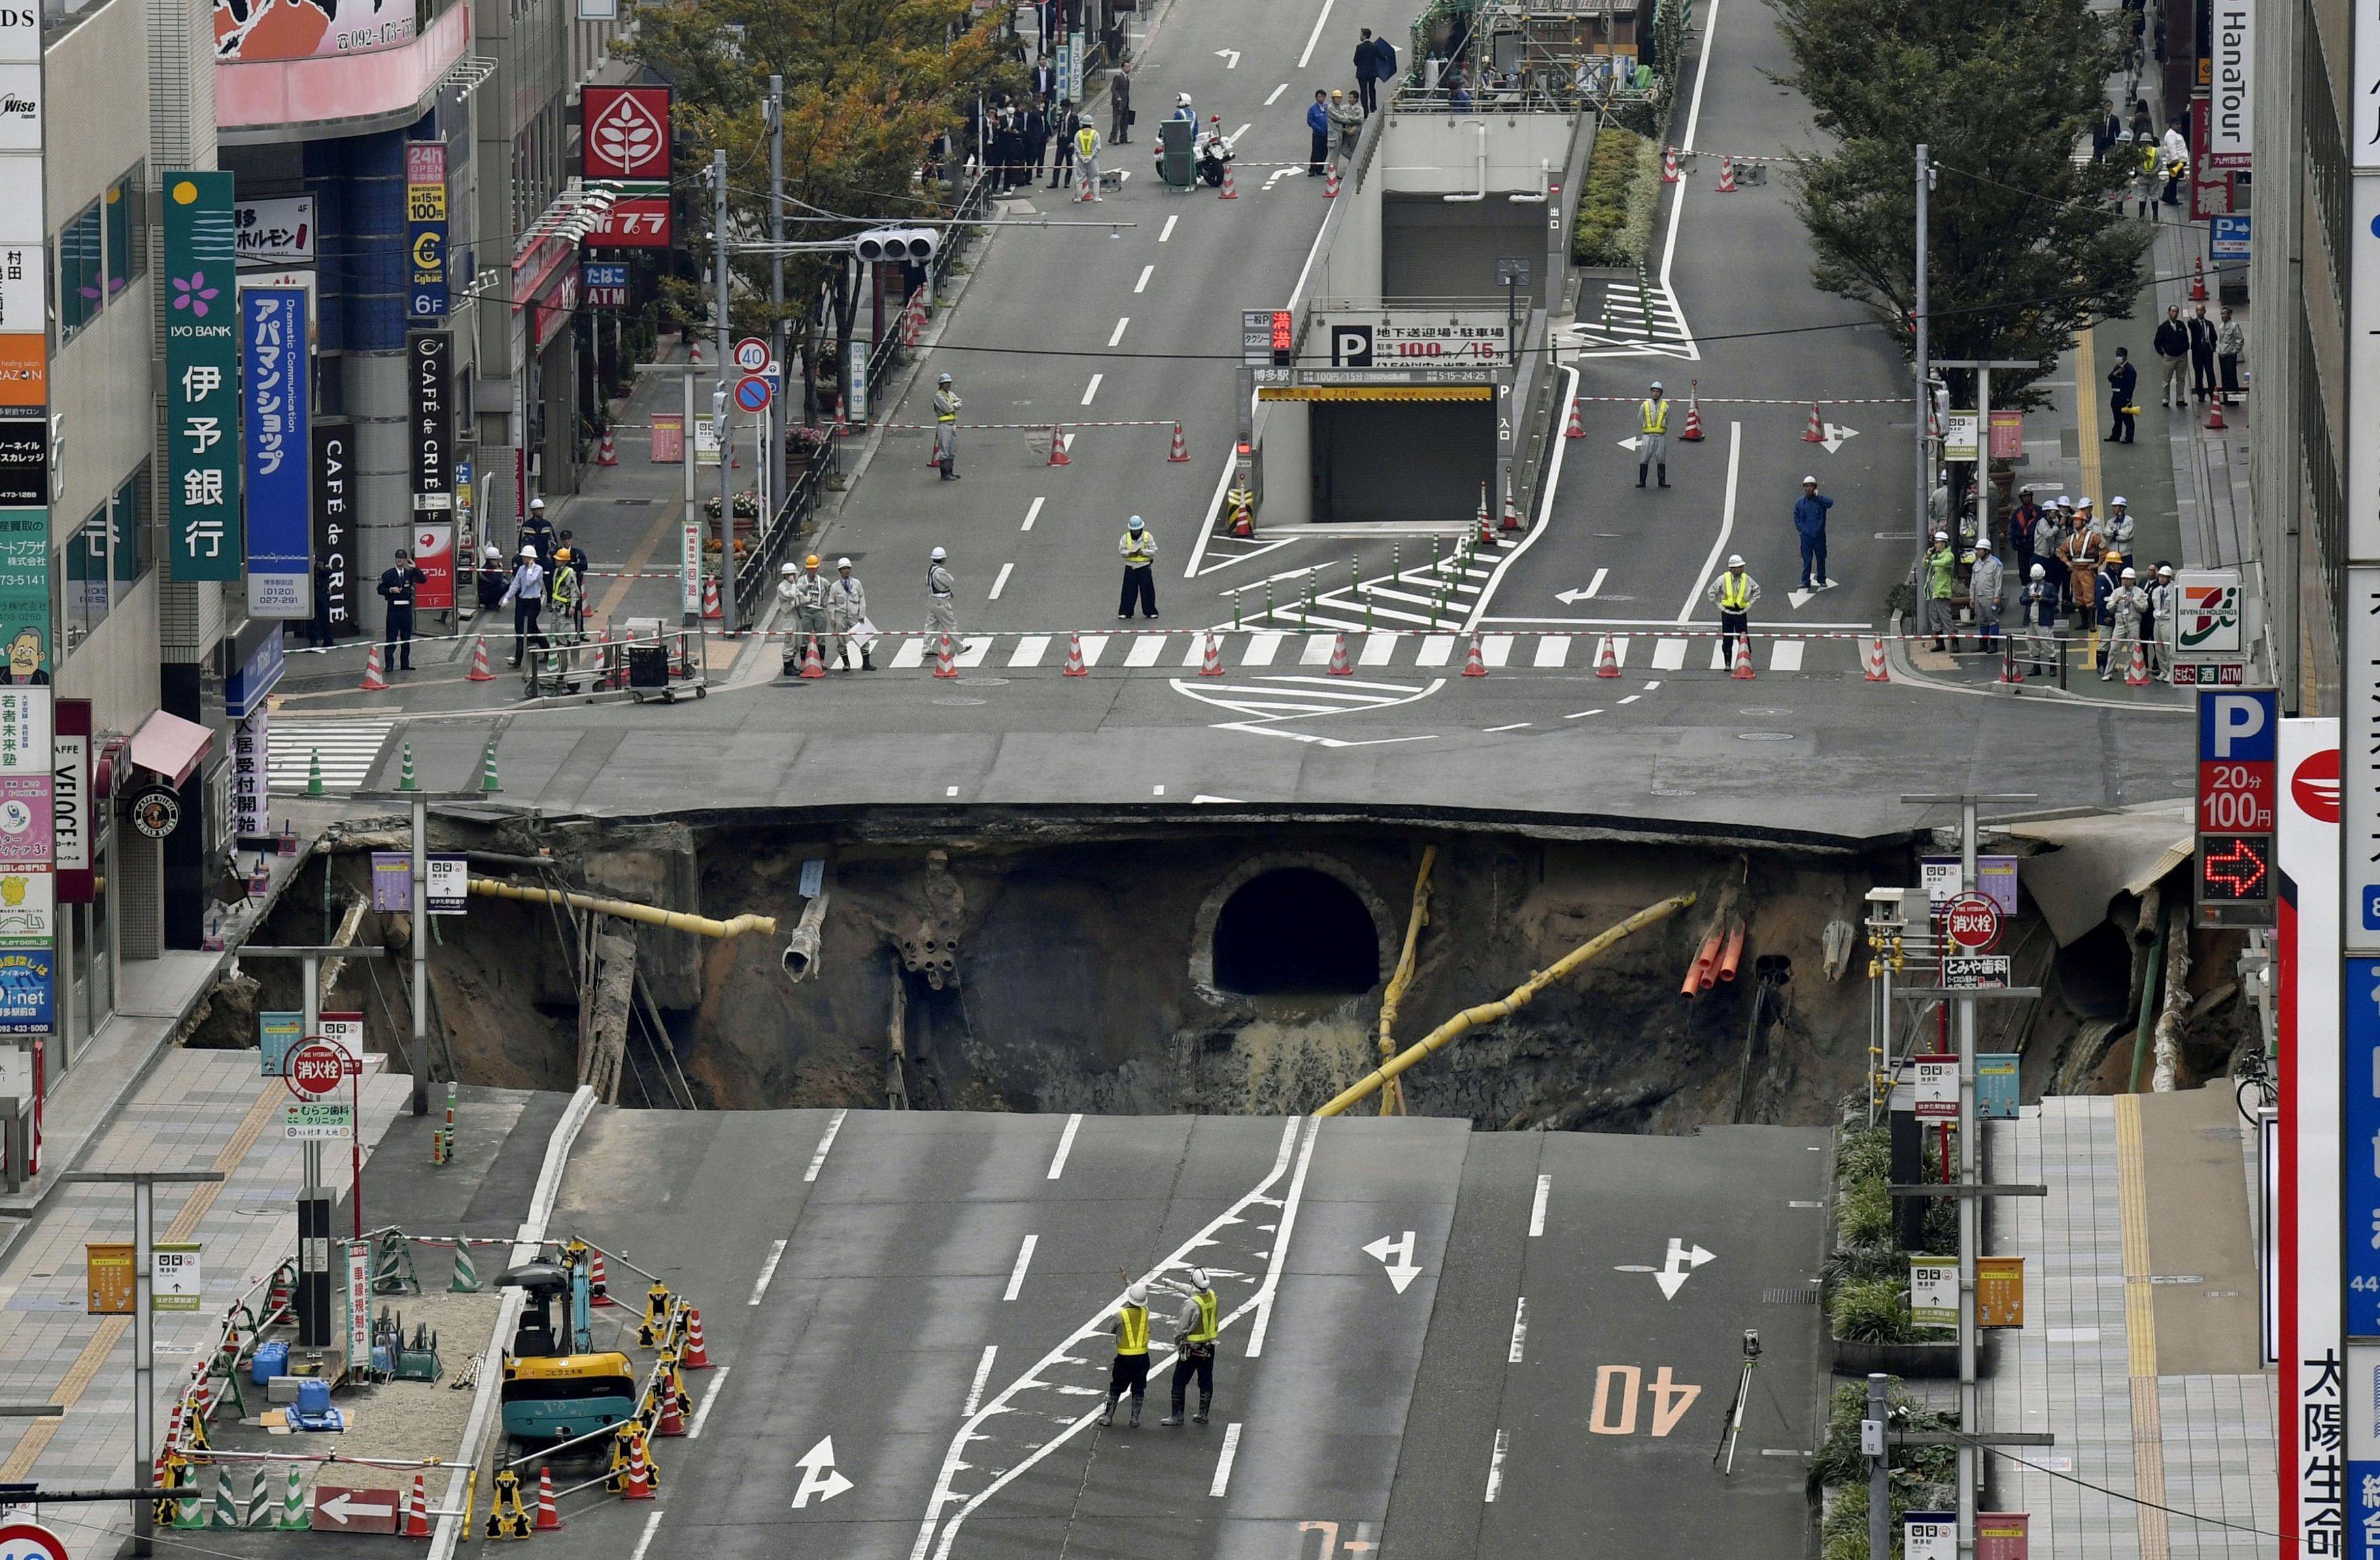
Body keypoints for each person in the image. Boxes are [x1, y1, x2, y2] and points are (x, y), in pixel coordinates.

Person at [1157, 1268, 1220, 1426]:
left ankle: (1177, 1416)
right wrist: (1172, 1284)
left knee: (1179, 1381)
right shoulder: (1212, 1295)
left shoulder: (1191, 1304)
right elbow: (1190, 1290)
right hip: (1209, 1347)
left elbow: (1181, 1328)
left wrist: (1178, 1342)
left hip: (1191, 1349)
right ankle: (1203, 1414)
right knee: (1206, 1380)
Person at [1100, 1282, 1153, 1429]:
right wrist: (1127, 1281)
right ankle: (1135, 1418)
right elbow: (1137, 1296)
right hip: (1143, 1357)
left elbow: (1112, 1329)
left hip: (1124, 1358)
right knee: (1139, 1387)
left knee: (1116, 1387)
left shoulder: (1119, 1315)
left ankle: (1108, 1416)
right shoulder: (1145, 1312)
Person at [377, 547, 426, 672]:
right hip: (394, 610)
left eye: (402, 558)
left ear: (405, 560)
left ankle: (405, 663)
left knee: (406, 638)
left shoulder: (409, 573)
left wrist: (415, 568)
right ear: (395, 559)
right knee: (391, 638)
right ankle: (389, 664)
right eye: (398, 558)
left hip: (406, 609)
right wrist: (390, 590)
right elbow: (380, 589)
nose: (400, 560)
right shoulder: (388, 574)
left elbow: (423, 580)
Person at [1706, 553, 1760, 665]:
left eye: (1742, 567)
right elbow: (1711, 592)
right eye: (1739, 567)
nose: (1741, 569)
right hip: (1727, 613)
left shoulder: (1746, 579)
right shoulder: (1722, 579)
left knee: (1743, 638)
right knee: (1727, 638)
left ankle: (1746, 662)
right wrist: (1720, 606)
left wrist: (1749, 605)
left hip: (1741, 612)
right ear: (1732, 568)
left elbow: (1757, 590)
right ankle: (1727, 663)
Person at [499, 545, 545, 667]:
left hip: (534, 603)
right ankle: (521, 658)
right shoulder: (521, 569)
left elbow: (530, 581)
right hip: (522, 603)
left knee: (526, 628)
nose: (523, 558)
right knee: (523, 630)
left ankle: (521, 658)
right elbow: (515, 585)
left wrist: (530, 568)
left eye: (525, 556)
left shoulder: (538, 569)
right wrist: (506, 599)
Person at [2102, 566, 2151, 680]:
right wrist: (2116, 601)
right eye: (2124, 579)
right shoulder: (2117, 592)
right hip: (2120, 624)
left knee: (2132, 649)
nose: (2126, 581)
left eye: (2128, 579)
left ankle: (2128, 672)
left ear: (2133, 580)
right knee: (2114, 648)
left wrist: (2133, 601)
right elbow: (2109, 607)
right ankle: (2108, 672)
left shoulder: (2139, 592)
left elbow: (2144, 608)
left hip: (2133, 623)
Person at [1111, 514, 1161, 620]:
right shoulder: (1126, 538)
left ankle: (1150, 610)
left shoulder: (1148, 537)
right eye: (1134, 530)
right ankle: (1125, 611)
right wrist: (1129, 553)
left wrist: (1143, 552)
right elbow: (1121, 551)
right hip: (1131, 567)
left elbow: (1154, 551)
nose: (1136, 532)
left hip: (1144, 567)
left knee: (1147, 590)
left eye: (1137, 530)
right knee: (1128, 590)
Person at [829, 557, 871, 670]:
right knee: (841, 640)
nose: (846, 571)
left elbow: (862, 600)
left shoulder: (857, 584)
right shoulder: (835, 586)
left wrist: (862, 615)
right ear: (840, 571)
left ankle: (866, 663)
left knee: (863, 638)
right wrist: (832, 618)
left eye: (848, 568)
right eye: (844, 569)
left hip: (855, 615)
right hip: (840, 616)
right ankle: (846, 664)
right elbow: (831, 603)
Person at [1792, 476, 1833, 591]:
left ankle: (1822, 579)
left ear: (1815, 487)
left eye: (1811, 486)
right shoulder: (1800, 502)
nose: (1809, 488)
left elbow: (1830, 503)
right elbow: (1796, 516)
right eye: (1807, 486)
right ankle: (1805, 581)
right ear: (1804, 488)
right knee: (1807, 560)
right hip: (1806, 537)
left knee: (1821, 558)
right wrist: (1801, 530)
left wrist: (1818, 496)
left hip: (1819, 536)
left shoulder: (1820, 501)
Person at [1922, 531, 1958, 651]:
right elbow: (1924, 565)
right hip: (1933, 592)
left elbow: (1944, 563)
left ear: (1944, 544)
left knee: (1946, 618)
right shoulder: (1935, 556)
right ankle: (1939, 643)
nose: (1935, 545)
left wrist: (1931, 561)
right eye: (1935, 543)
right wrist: (1928, 556)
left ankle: (1955, 642)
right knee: (1934, 618)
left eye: (1937, 543)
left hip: (1942, 592)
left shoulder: (1949, 556)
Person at [2019, 563, 2057, 677]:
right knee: (2032, 643)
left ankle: (2053, 666)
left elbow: (2054, 601)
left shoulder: (2050, 587)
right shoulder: (2029, 587)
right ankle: (2036, 667)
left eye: (2038, 579)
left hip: (2044, 620)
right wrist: (2030, 599)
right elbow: (2022, 600)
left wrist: (2043, 599)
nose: (2036, 581)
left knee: (2047, 642)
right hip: (2030, 620)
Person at [1969, 538, 2005, 651]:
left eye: (1980, 550)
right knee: (1982, 621)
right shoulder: (1977, 564)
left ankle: (1993, 645)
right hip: (1978, 596)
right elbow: (1973, 582)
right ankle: (1983, 644)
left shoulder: (1996, 564)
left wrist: (1997, 596)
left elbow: (1998, 581)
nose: (1977, 552)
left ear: (1986, 551)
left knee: (1992, 620)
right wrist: (1972, 597)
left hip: (1990, 596)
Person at [2031, 501, 2067, 615]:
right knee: (2041, 581)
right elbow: (2048, 534)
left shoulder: (2052, 522)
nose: (2056, 514)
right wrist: (2060, 525)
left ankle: (2051, 604)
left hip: (2049, 557)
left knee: (2052, 581)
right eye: (2054, 512)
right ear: (2047, 512)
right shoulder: (2043, 523)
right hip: (2040, 557)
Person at [2153, 305, 2190, 409]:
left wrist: (2185, 348)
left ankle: (2180, 399)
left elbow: (2186, 339)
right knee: (2166, 380)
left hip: (2182, 356)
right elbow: (2157, 342)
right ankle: (2166, 399)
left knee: (2181, 379)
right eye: (2173, 311)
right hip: (2169, 357)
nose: (2175, 314)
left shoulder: (2181, 325)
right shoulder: (2163, 327)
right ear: (2169, 312)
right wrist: (2163, 353)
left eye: (2176, 312)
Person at [1636, 380, 1669, 488]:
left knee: (1661, 458)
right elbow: (1640, 418)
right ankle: (1642, 481)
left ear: (1661, 393)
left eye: (1658, 392)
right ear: (1651, 392)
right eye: (1654, 391)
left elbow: (1668, 419)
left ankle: (1662, 481)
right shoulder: (1645, 405)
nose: (1656, 393)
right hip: (1648, 436)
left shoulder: (1665, 406)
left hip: (1660, 436)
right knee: (1644, 458)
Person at [926, 545, 959, 647]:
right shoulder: (939, 571)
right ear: (942, 559)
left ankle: (926, 648)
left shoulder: (930, 570)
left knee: (930, 626)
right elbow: (950, 580)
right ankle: (960, 647)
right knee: (951, 625)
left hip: (932, 600)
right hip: (941, 602)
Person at [548, 547, 583, 641]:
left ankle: (563, 651)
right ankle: (554, 653)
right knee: (553, 632)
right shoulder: (557, 571)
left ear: (564, 561)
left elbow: (575, 591)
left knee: (562, 633)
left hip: (564, 607)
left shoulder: (570, 573)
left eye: (558, 559)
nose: (556, 561)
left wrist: (573, 606)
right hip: (556, 606)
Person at [2009, 488, 2043, 581]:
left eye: (2028, 496)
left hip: (2035, 543)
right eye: (2024, 497)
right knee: (2023, 568)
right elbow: (2013, 528)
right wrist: (2013, 541)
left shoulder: (2039, 511)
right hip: (2022, 544)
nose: (2027, 498)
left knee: (2036, 566)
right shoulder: (2017, 513)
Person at [2147, 563, 2175, 676]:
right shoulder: (2156, 591)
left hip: (2168, 621)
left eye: (2164, 577)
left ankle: (2171, 671)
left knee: (2168, 648)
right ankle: (2164, 671)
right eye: (2160, 576)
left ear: (2169, 578)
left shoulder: (2174, 589)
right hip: (2157, 621)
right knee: (2158, 648)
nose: (2161, 579)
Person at [308, 554, 341, 649]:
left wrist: (321, 568)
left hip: (322, 592)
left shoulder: (324, 559)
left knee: (325, 617)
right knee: (312, 619)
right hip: (311, 592)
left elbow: (329, 572)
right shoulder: (307, 560)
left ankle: (328, 640)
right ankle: (313, 641)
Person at [2106, 345, 2138, 443]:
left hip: (2124, 397)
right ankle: (2116, 435)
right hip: (2115, 395)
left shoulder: (2130, 370)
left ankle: (2129, 437)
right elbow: (2110, 378)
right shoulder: (2118, 367)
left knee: (2127, 419)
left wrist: (2128, 399)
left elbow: (2130, 386)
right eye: (2117, 355)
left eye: (2119, 355)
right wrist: (2116, 373)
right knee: (2117, 417)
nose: (2118, 357)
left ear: (2125, 356)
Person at [2188, 303, 2217, 403]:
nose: (2199, 312)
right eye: (2198, 311)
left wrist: (2213, 346)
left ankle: (2212, 393)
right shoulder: (2194, 323)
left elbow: (2214, 336)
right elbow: (2191, 326)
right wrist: (2190, 321)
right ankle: (2201, 394)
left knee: (2210, 372)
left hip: (2207, 351)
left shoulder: (2209, 324)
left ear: (2205, 311)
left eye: (2201, 310)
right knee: (2198, 373)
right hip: (2197, 352)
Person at [934, 372, 962, 480]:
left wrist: (953, 405)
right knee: (945, 450)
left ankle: (950, 472)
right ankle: (945, 474)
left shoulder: (950, 394)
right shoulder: (939, 396)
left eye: (949, 383)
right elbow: (947, 409)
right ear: (941, 384)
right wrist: (955, 406)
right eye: (946, 383)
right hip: (944, 425)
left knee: (952, 449)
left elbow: (960, 402)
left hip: (952, 424)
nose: (948, 385)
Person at [2215, 306, 2245, 403]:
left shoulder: (2234, 326)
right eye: (2221, 314)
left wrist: (2234, 351)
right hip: (2222, 355)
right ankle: (2226, 399)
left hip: (2230, 355)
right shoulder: (2220, 327)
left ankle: (2234, 400)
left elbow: (2239, 340)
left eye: (2224, 314)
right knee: (2224, 377)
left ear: (2229, 315)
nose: (2222, 316)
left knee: (2232, 377)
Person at [1049, 98, 1078, 190]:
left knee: (1069, 163)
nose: (1064, 111)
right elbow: (1054, 127)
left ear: (1069, 108)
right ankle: (1055, 181)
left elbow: (1077, 131)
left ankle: (1067, 182)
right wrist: (1057, 121)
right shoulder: (1060, 116)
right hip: (1061, 141)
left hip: (1069, 142)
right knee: (1057, 162)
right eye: (1062, 109)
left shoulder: (1074, 118)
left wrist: (1073, 142)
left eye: (1065, 109)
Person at [474, 544, 509, 624]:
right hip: (484, 595)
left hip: (488, 592)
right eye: (497, 560)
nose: (499, 561)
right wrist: (499, 569)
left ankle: (494, 603)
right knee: (502, 587)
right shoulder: (487, 570)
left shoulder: (491, 568)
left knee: (505, 585)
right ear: (492, 560)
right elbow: (498, 581)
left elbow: (504, 579)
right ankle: (490, 604)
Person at [519, 496, 557, 562]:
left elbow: (553, 542)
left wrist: (551, 554)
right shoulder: (526, 526)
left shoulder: (547, 525)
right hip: (530, 559)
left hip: (545, 558)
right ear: (533, 511)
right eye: (539, 510)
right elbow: (521, 543)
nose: (541, 512)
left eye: (542, 509)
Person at [1073, 116, 1103, 200]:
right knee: (1095, 178)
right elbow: (1098, 147)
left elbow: (1076, 147)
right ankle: (1096, 197)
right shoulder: (1095, 134)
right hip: (1092, 159)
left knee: (1079, 179)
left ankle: (1079, 198)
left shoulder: (1078, 134)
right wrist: (1091, 156)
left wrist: (1082, 157)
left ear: (1082, 124)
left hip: (1080, 159)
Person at [2159, 120, 2189, 205]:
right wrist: (2175, 159)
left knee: (2174, 181)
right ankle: (2171, 198)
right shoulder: (2171, 135)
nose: (2179, 126)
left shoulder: (2176, 134)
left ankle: (2168, 197)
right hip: (2175, 162)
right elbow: (2172, 147)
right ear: (2172, 124)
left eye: (2180, 124)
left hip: (2179, 161)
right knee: (2173, 181)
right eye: (2177, 124)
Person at [1023, 96, 1050, 187]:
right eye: (1041, 103)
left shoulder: (1042, 114)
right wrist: (1040, 110)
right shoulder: (1034, 114)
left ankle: (1039, 171)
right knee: (1033, 157)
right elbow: (1036, 121)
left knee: (1041, 155)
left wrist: (1048, 133)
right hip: (1034, 139)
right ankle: (1028, 176)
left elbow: (1045, 123)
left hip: (1042, 138)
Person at [1329, 89, 1362, 165]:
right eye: (1349, 98)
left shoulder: (1360, 109)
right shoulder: (1344, 108)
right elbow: (1341, 117)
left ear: (1356, 99)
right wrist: (1352, 119)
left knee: (1354, 149)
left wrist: (1349, 118)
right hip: (1346, 132)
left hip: (1355, 132)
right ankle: (1354, 160)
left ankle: (1353, 167)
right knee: (1343, 149)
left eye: (1351, 98)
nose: (1349, 99)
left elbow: (1360, 119)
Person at [1354, 28, 1381, 113]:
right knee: (1372, 89)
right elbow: (1380, 57)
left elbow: (1356, 61)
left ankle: (1365, 110)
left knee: (1363, 91)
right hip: (1372, 73)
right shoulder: (1374, 46)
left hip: (1362, 73)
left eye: (1361, 34)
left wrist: (1361, 65)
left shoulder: (1359, 47)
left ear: (1364, 35)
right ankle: (1373, 107)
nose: (1360, 36)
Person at [2107, 496, 2136, 574]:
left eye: (2115, 506)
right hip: (2113, 555)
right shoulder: (2111, 522)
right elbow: (2106, 534)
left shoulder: (2129, 521)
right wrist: (2116, 533)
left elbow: (2127, 535)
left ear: (2122, 508)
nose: (2113, 508)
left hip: (2125, 556)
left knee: (2127, 575)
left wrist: (2115, 533)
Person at [1307, 90, 1331, 176]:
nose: (1321, 98)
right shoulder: (1313, 109)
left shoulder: (1327, 107)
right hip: (1317, 134)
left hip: (1327, 133)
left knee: (1324, 151)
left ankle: (1320, 169)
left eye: (1323, 97)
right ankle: (1312, 169)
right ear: (1316, 98)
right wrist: (1317, 128)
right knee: (1316, 152)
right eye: (1320, 96)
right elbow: (1310, 121)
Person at [1110, 60, 1132, 145]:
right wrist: (1118, 97)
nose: (1128, 68)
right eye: (1126, 67)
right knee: (1117, 121)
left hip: (1125, 103)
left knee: (1125, 121)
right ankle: (1113, 138)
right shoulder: (1118, 77)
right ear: (1122, 68)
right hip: (1118, 103)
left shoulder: (1126, 78)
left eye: (1129, 67)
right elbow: (1113, 88)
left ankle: (1124, 137)